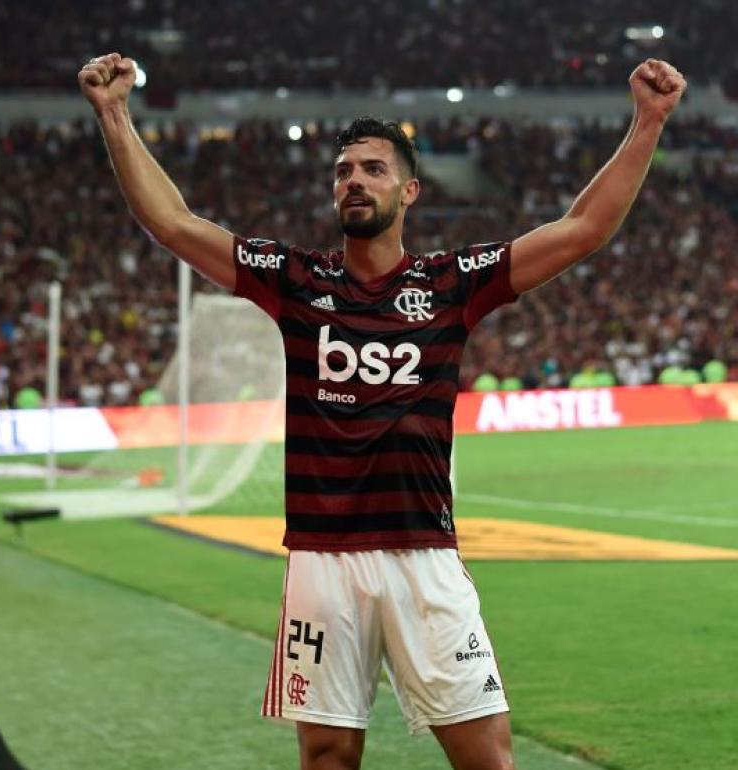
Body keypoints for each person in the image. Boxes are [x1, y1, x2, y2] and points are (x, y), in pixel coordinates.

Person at [80, 52, 685, 770]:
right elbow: (175, 224)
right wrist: (114, 113)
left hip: (422, 557)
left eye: (371, 168)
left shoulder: (454, 283)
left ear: (410, 189)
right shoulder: (296, 281)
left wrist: (647, 121)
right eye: (343, 171)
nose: (354, 181)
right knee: (329, 756)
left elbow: (582, 228)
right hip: (320, 560)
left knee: (487, 757)